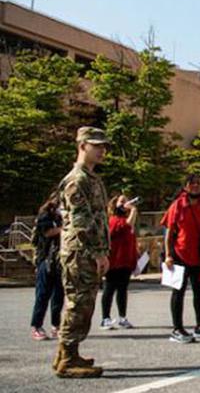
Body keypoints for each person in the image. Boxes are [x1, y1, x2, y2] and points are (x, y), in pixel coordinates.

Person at [52, 126, 111, 378]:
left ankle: (67, 353)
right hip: (81, 251)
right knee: (79, 303)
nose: (102, 151)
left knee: (83, 302)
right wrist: (98, 253)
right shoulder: (77, 180)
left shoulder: (91, 178)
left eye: (104, 146)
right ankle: (67, 358)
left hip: (88, 251)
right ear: (82, 145)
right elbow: (81, 222)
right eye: (96, 145)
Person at [161, 174, 200, 344]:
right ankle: (177, 328)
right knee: (178, 292)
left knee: (199, 292)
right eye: (192, 183)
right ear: (185, 186)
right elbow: (169, 232)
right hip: (180, 253)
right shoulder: (178, 205)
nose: (195, 186)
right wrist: (168, 255)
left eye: (199, 183)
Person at [100, 194, 138, 330]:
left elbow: (131, 239)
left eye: (127, 200)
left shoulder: (126, 219)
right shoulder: (113, 220)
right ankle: (105, 318)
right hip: (114, 261)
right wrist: (133, 211)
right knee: (109, 289)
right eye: (122, 201)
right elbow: (126, 227)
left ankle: (122, 317)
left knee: (123, 290)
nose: (126, 203)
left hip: (126, 261)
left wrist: (135, 259)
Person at [30, 197, 64, 341]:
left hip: (60, 260)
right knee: (43, 294)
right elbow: (47, 232)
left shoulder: (60, 218)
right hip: (46, 259)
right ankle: (36, 326)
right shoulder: (45, 216)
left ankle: (56, 325)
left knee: (58, 295)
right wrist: (65, 228)